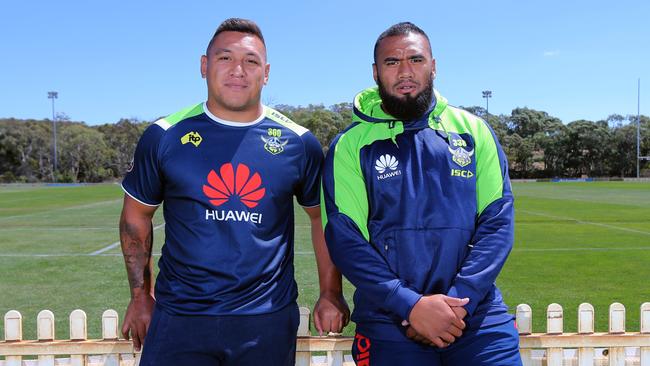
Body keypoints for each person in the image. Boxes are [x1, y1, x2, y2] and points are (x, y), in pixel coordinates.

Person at [119, 18, 349, 366]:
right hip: (181, 316)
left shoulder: (299, 143)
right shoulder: (164, 135)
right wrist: (140, 296)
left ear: (266, 72)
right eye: (225, 58)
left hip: (266, 319)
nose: (238, 70)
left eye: (251, 61)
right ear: (204, 65)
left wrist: (331, 293)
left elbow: (323, 219)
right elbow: (136, 216)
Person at [321, 22, 522, 365]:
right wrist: (410, 305)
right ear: (375, 72)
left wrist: (456, 305)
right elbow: (345, 239)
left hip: (475, 318)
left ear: (434, 65)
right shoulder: (350, 145)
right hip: (388, 320)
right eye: (391, 62)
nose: (405, 72)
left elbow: (498, 225)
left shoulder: (473, 132)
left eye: (415, 59)